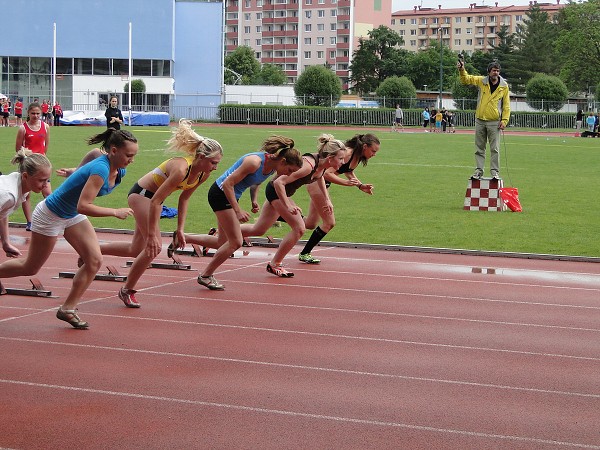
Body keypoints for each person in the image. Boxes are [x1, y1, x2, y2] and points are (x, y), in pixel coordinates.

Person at [0, 129, 138, 329]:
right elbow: (85, 206)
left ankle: (68, 309)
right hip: (51, 214)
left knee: (94, 259)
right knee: (30, 267)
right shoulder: (100, 169)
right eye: (129, 155)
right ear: (114, 151)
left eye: (134, 155)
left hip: (71, 215)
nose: (131, 160)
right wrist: (114, 212)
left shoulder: (113, 164)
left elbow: (92, 154)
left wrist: (76, 172)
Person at [100, 121, 223, 308]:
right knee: (153, 247)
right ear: (200, 156)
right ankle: (127, 290)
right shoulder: (181, 168)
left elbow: (184, 199)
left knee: (136, 249)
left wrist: (180, 229)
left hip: (153, 200)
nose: (215, 167)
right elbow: (156, 201)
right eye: (213, 162)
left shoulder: (202, 174)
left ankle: (93, 250)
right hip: (142, 196)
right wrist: (151, 235)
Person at [186, 136, 302, 291]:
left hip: (230, 195)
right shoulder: (254, 162)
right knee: (235, 242)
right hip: (220, 194)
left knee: (221, 242)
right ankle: (206, 275)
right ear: (283, 161)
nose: (288, 175)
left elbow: (256, 183)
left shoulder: (272, 167)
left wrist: (254, 200)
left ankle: (181, 237)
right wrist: (238, 210)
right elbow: (228, 184)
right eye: (289, 170)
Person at [239, 134, 346, 277]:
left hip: (281, 193)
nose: (343, 162)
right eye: (340, 158)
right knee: (299, 228)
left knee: (258, 229)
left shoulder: (322, 165)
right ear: (330, 157)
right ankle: (275, 264)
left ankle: (220, 233)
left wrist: (327, 199)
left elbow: (319, 176)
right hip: (276, 191)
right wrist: (287, 204)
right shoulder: (308, 166)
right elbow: (278, 182)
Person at [298, 133, 380, 264]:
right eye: (373, 151)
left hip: (323, 185)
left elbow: (348, 170)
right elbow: (326, 173)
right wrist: (345, 183)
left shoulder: (358, 156)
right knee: (329, 223)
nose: (374, 154)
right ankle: (305, 253)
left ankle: (280, 215)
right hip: (317, 184)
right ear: (365, 146)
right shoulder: (347, 153)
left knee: (310, 223)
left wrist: (360, 185)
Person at [458, 59, 510, 180]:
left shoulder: (504, 86)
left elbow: (506, 105)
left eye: (497, 71)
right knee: (479, 148)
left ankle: (494, 172)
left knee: (495, 148)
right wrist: (461, 69)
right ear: (488, 72)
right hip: (480, 120)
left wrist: (505, 120)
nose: (495, 73)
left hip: (494, 122)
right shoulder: (482, 81)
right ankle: (478, 171)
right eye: (493, 71)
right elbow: (466, 79)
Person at [0, 150, 52, 257]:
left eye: (47, 180)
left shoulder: (20, 184)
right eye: (41, 180)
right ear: (25, 176)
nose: (45, 185)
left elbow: (3, 214)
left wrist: (6, 243)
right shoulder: (9, 194)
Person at [15, 102, 51, 231]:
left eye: (38, 113)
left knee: (47, 193)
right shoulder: (23, 128)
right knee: (26, 195)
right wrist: (25, 161)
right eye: (33, 113)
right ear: (28, 113)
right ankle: (29, 222)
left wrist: (42, 158)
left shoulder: (45, 126)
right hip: (28, 166)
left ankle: (49, 220)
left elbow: (45, 145)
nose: (35, 116)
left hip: (41, 165)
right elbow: (18, 148)